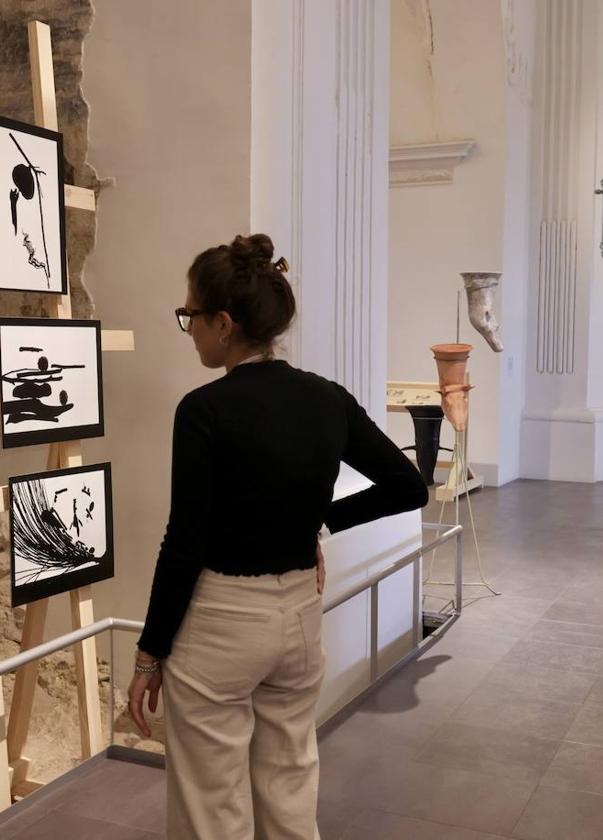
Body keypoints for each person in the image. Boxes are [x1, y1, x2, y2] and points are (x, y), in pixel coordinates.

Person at [127, 233, 429, 840]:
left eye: (190, 316)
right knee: (290, 784)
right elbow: (408, 486)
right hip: (298, 614)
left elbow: (185, 540)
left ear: (223, 323)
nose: (188, 329)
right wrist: (319, 520)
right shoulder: (327, 400)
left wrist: (148, 653)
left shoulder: (204, 409)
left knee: (211, 806)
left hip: (220, 623)